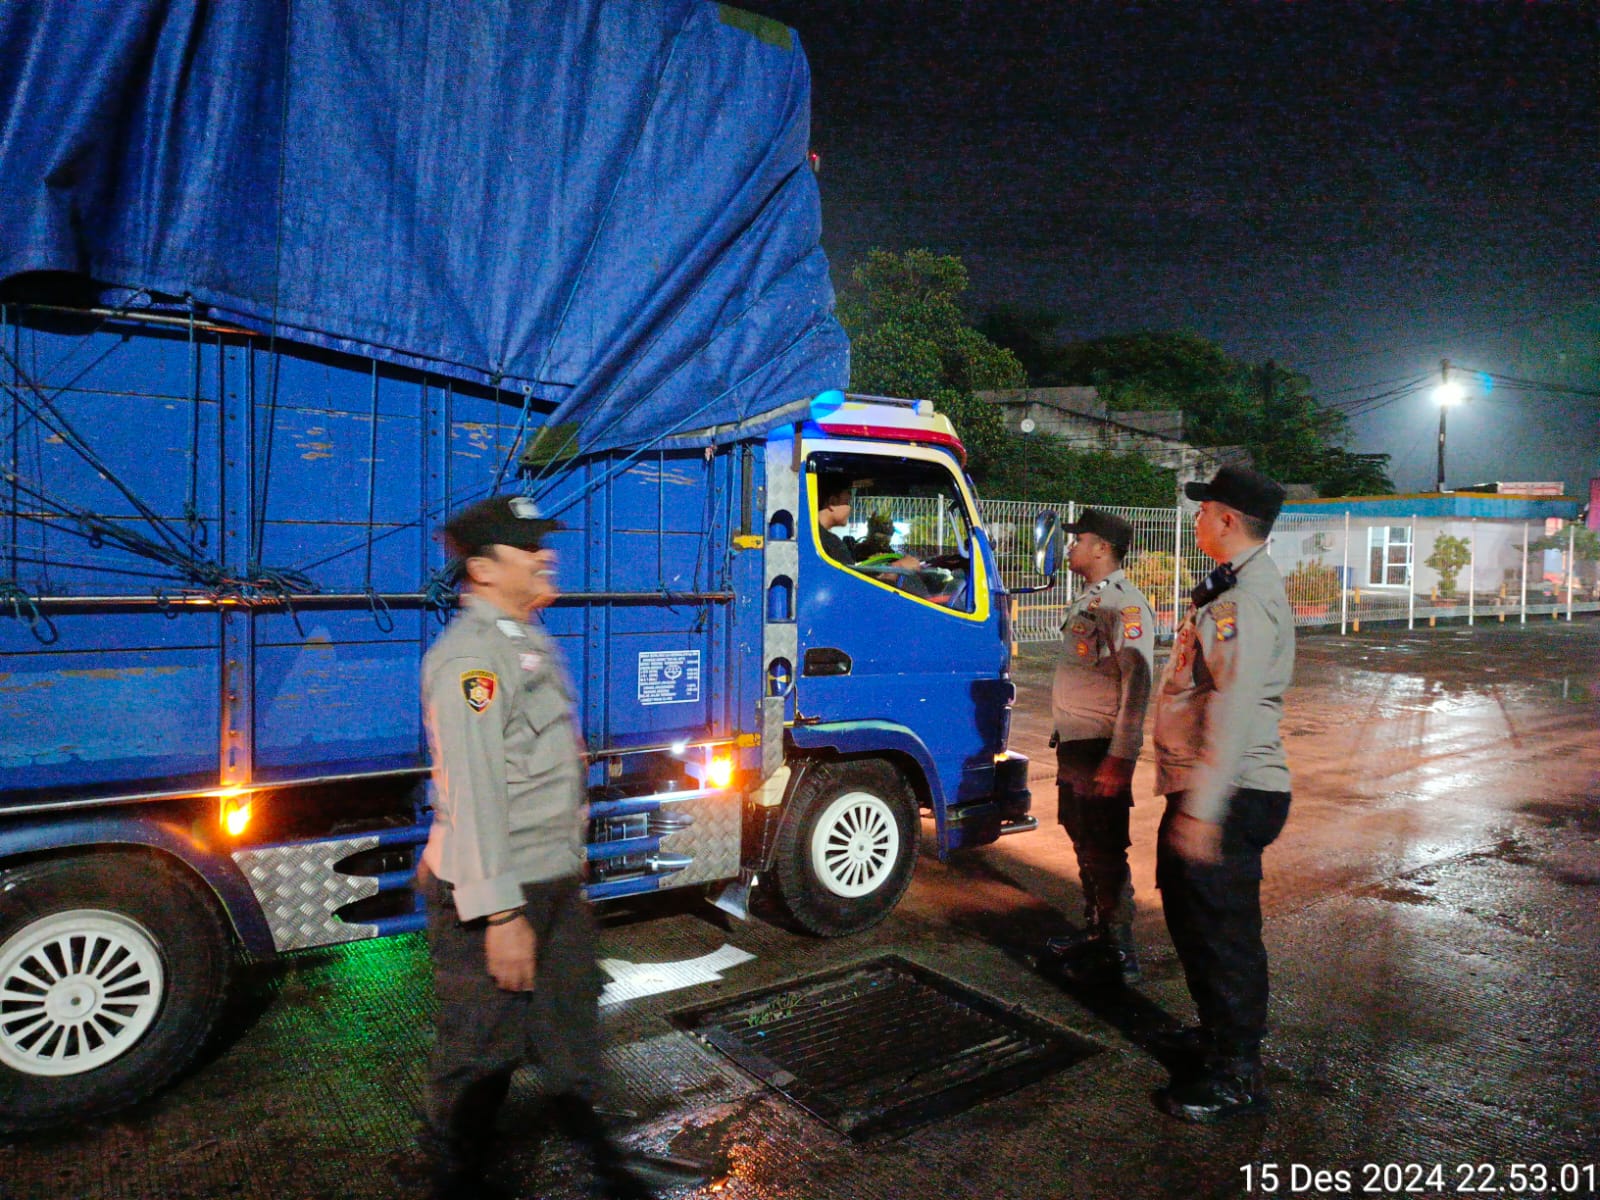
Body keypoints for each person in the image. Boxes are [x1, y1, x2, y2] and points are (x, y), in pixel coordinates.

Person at [412, 494, 706, 1199]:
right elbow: (475, 790)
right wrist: (502, 913)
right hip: (494, 887)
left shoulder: (526, 637)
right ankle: (454, 1179)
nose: (545, 554)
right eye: (526, 547)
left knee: (573, 1029)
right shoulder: (469, 660)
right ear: (482, 569)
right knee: (482, 1052)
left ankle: (611, 1165)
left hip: (552, 881)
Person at [1151, 465, 1294, 1123]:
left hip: (1231, 791)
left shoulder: (1245, 598)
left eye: (1204, 511)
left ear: (1228, 520)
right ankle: (1217, 1035)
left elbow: (1234, 704)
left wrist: (1205, 808)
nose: (1198, 521)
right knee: (1191, 913)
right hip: (1210, 785)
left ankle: (1237, 1072)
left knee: (1224, 929)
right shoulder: (1233, 585)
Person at [1043, 508, 1155, 985]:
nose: (1070, 546)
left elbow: (1138, 683)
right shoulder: (1090, 598)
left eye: (1079, 539)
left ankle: (1120, 950)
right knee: (1080, 833)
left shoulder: (1124, 606)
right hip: (1074, 744)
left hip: (1100, 748)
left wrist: (1121, 756)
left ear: (1102, 548)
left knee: (1105, 846)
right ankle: (1096, 931)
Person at [815, 473, 930, 595]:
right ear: (832, 503)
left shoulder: (819, 538)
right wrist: (897, 568)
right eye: (848, 502)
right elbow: (852, 590)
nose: (851, 508)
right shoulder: (830, 544)